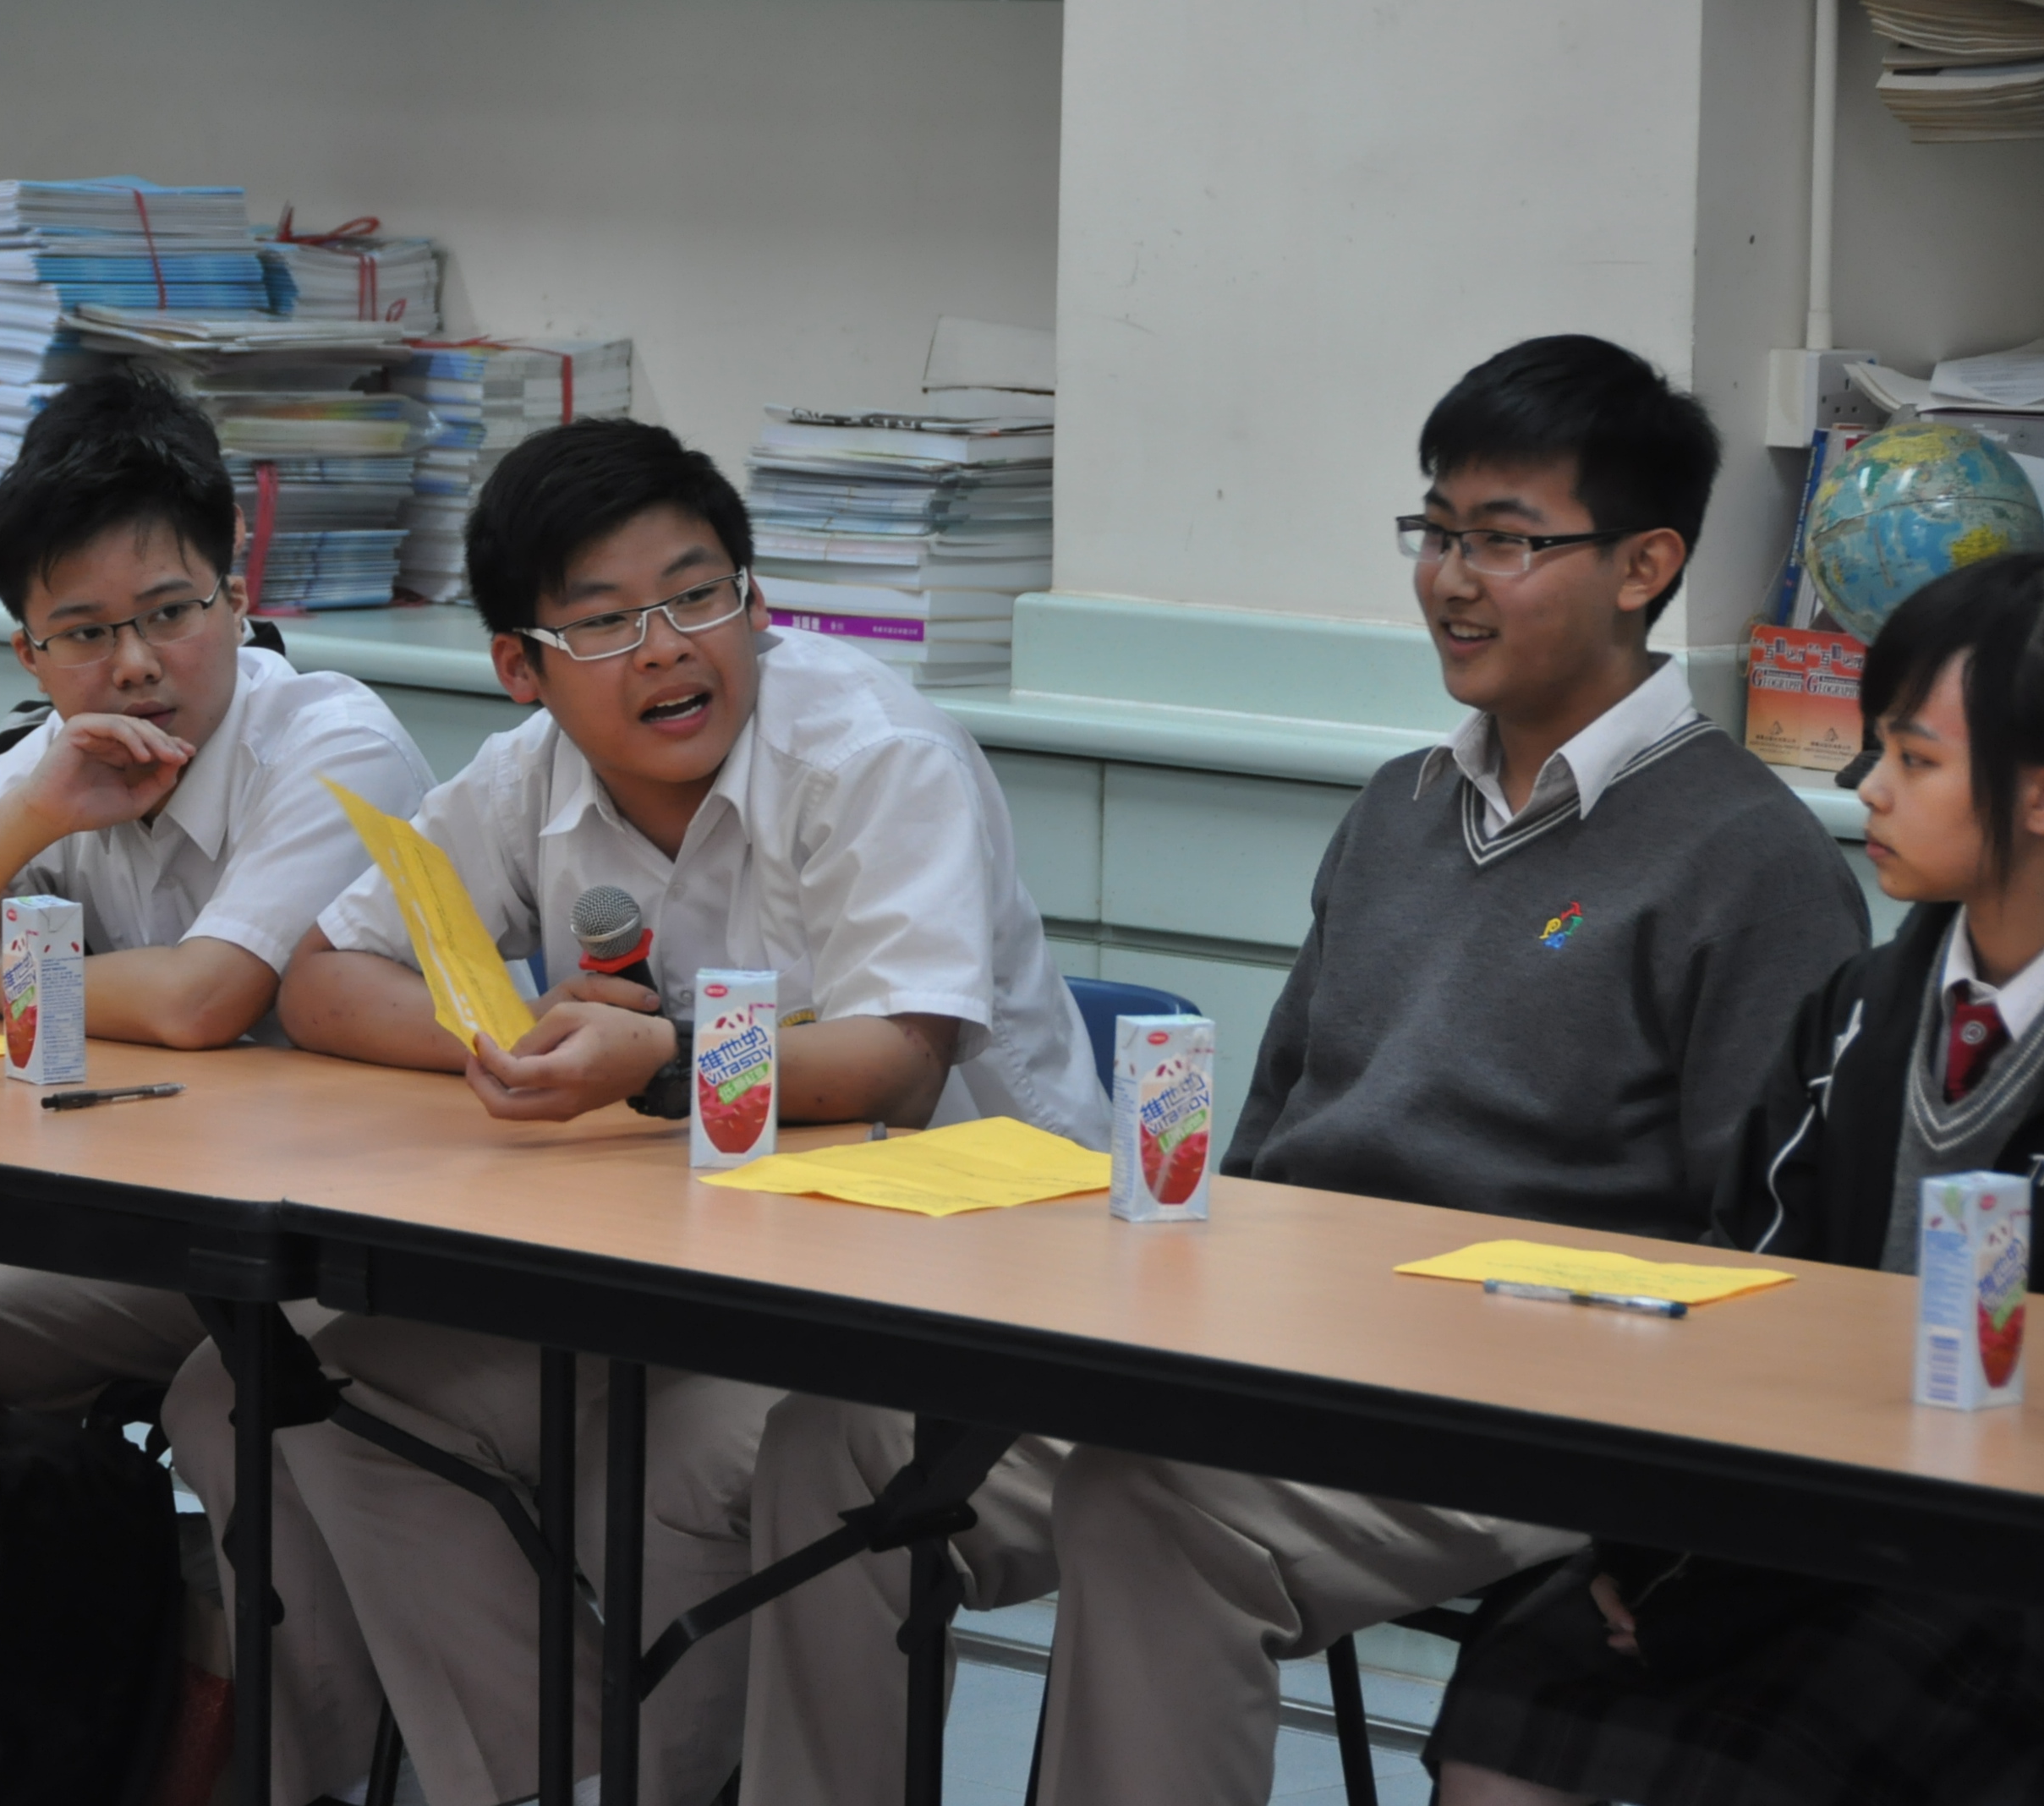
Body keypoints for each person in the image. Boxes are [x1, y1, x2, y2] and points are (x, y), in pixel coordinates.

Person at [736, 335, 1877, 1806]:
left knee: (1151, 1505)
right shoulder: (1400, 807)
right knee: (836, 1442)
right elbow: (1274, 1136)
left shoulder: (1752, 861)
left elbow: (1768, 1260)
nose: (1451, 580)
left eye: (1506, 540)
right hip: (1283, 1345)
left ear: (1644, 565)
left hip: (1516, 1399)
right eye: (1436, 531)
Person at [229, 416, 1107, 1806]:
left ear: (755, 603)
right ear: (519, 666)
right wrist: (522, 1038)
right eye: (604, 622)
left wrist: (649, 1060)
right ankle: (563, 1772)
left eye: (700, 597)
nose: (666, 650)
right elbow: (327, 977)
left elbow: (897, 1064)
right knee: (302, 1390)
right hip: (694, 1268)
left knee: (671, 1461)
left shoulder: (875, 756)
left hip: (961, 1284)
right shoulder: (528, 772)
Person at [0, 365, 432, 1806]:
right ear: (29, 650)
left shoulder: (334, 740)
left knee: (235, 1408)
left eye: (171, 613)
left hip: (341, 1244)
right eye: (86, 634)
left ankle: (281, 1774)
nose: (138, 665)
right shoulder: (59, 764)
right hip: (154, 1224)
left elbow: (208, 999)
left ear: (238, 591)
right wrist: (32, 815)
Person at [1428, 552, 2044, 1806]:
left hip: (2000, 1563)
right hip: (1809, 1520)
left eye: (1915, 759)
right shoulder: (1861, 1010)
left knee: (1762, 1757)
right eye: (1876, 747)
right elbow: (1746, 1282)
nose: (1868, 787)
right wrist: (1653, 1543)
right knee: (1508, 1699)